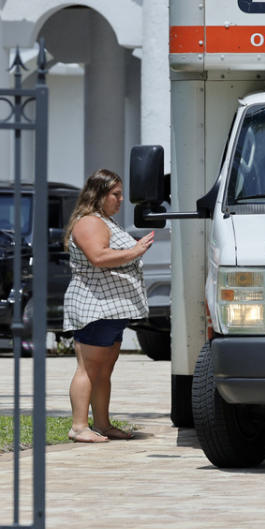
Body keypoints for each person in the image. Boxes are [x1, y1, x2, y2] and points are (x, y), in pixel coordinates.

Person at [62, 169, 155, 443]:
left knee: (104, 369)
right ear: (98, 194)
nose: (121, 199)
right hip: (96, 307)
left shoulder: (103, 220)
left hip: (111, 310)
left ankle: (102, 424)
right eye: (115, 194)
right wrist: (135, 251)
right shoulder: (89, 222)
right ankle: (79, 426)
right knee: (89, 368)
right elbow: (99, 257)